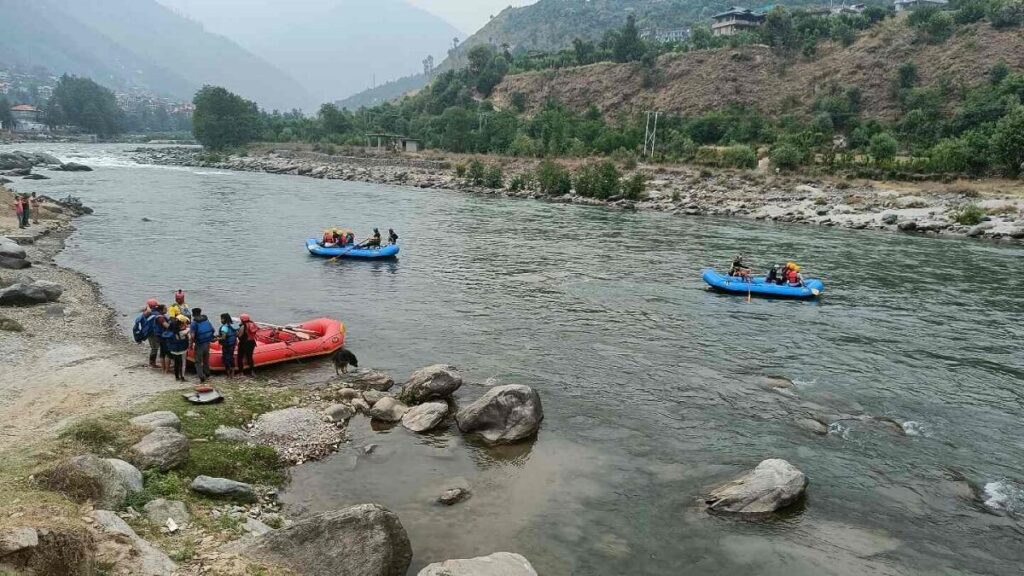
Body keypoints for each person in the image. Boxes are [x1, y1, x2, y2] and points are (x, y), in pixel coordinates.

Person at [190, 307, 215, 383]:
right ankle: (207, 374)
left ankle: (201, 376)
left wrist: (191, 344)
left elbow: (192, 336)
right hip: (207, 343)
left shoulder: (194, 323)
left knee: (198, 361)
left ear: (193, 314)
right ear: (200, 313)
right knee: (206, 360)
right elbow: (213, 330)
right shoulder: (206, 320)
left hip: (199, 344)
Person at [167, 315, 191, 382]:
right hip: (182, 350)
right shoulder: (183, 332)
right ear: (180, 325)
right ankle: (182, 377)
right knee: (183, 363)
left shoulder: (171, 332)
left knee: (176, 363)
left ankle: (177, 377)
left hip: (173, 349)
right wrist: (186, 326)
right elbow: (188, 329)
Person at [218, 313, 240, 379]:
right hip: (232, 344)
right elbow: (237, 334)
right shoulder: (233, 326)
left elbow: (223, 337)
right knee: (231, 357)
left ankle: (228, 374)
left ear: (224, 319)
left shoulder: (224, 327)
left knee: (226, 358)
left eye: (221, 319)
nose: (221, 320)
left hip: (226, 345)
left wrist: (216, 338)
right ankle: (233, 373)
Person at [154, 305, 173, 374]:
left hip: (160, 337)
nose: (167, 310)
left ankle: (163, 369)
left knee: (162, 352)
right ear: (161, 310)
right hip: (164, 337)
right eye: (165, 309)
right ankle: (166, 370)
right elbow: (167, 326)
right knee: (167, 353)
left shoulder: (158, 316)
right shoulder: (161, 318)